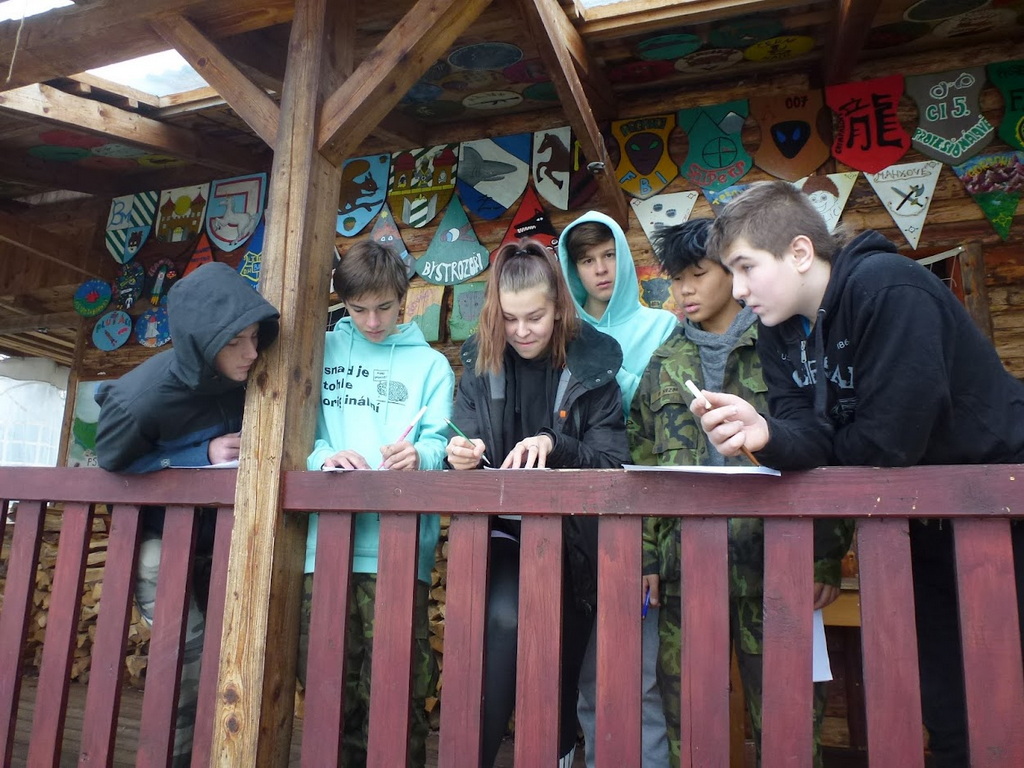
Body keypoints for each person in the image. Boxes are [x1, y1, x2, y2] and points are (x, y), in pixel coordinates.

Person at [698, 180, 1024, 767]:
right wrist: (765, 434)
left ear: (800, 252)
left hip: (1004, 513)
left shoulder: (889, 289)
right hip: (922, 524)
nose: (738, 290)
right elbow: (810, 433)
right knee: (947, 707)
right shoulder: (776, 329)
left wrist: (811, 443)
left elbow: (890, 444)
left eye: (746, 267)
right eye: (731, 272)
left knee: (1009, 692)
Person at [629, 218, 851, 767]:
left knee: (788, 719)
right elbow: (644, 463)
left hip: (778, 566)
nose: (684, 290)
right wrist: (649, 557)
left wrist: (824, 556)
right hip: (686, 570)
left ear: (732, 272)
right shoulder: (663, 364)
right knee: (689, 720)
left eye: (697, 274)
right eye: (676, 278)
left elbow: (826, 452)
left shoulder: (785, 349)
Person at [446, 238, 630, 768]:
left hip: (576, 543)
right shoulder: (480, 365)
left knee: (562, 664)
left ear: (559, 309)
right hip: (502, 534)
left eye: (535, 317)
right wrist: (461, 456)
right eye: (509, 319)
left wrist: (555, 444)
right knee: (504, 620)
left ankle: (555, 755)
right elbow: (462, 444)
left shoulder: (593, 367)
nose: (522, 331)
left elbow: (613, 464)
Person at [94, 260, 281, 768]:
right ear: (200, 343)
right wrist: (200, 455)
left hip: (224, 541)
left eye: (254, 337)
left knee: (238, 658)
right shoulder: (139, 400)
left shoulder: (252, 374)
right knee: (188, 666)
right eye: (234, 342)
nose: (251, 353)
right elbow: (110, 467)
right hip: (161, 547)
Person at [298, 240, 455, 768]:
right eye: (358, 308)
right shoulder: (319, 351)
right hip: (323, 546)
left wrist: (419, 454)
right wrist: (323, 456)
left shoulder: (432, 366)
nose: (371, 321)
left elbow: (440, 446)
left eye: (384, 307)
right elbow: (298, 432)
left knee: (398, 687)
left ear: (403, 299)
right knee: (327, 686)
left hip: (399, 550)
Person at [558, 211, 676, 768]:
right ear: (572, 269)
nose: (600, 269)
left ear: (625, 259)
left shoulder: (661, 327)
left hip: (646, 510)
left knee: (644, 671)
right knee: (586, 672)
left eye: (608, 255)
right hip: (579, 518)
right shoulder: (563, 335)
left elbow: (662, 418)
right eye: (586, 261)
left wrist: (608, 374)